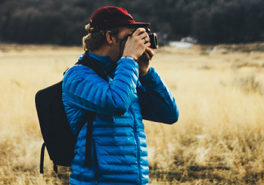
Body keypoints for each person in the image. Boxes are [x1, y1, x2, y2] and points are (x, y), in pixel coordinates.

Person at [62, 6, 179, 185]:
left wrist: (146, 73)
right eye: (128, 38)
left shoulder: (123, 74)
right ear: (109, 37)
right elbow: (117, 103)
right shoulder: (78, 76)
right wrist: (129, 60)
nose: (135, 44)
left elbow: (169, 114)